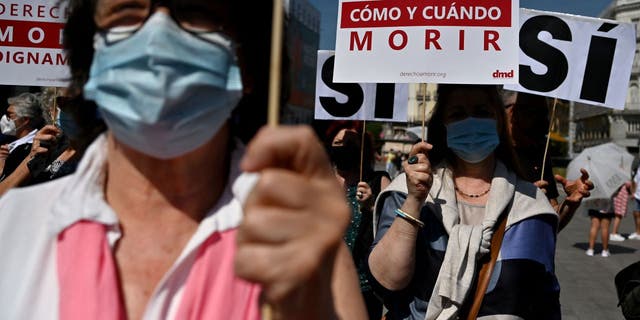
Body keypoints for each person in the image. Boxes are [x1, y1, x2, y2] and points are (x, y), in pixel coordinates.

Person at [0, 1, 367, 319]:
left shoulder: (295, 240)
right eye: (127, 11)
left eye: (195, 12)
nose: (157, 37)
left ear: (248, 62)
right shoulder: (14, 225)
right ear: (89, 57)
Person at [369, 84, 561, 319]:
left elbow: (544, 303)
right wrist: (414, 200)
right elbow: (387, 283)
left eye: (481, 112)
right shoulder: (404, 192)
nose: (471, 122)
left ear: (499, 121)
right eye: (457, 114)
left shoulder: (531, 205)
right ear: (443, 125)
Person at [325, 120, 391, 320]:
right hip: (324, 287)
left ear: (363, 149)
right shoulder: (318, 182)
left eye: (351, 143)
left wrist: (372, 208)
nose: (343, 148)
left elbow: (392, 235)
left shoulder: (379, 181)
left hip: (364, 291)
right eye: (338, 144)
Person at [502, 90, 593, 232]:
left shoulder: (539, 152)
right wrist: (523, 202)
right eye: (538, 113)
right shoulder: (489, 153)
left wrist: (569, 205)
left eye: (545, 114)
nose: (546, 123)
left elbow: (551, 224)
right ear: (513, 111)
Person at [0, 92, 45, 180]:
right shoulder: (7, 141)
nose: (5, 119)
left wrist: (1, 165)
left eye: (10, 115)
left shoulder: (32, 148)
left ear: (25, 120)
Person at [631, 165, 640, 240]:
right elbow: (636, 180)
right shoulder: (639, 167)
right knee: (636, 214)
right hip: (638, 195)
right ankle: (638, 232)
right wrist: (633, 192)